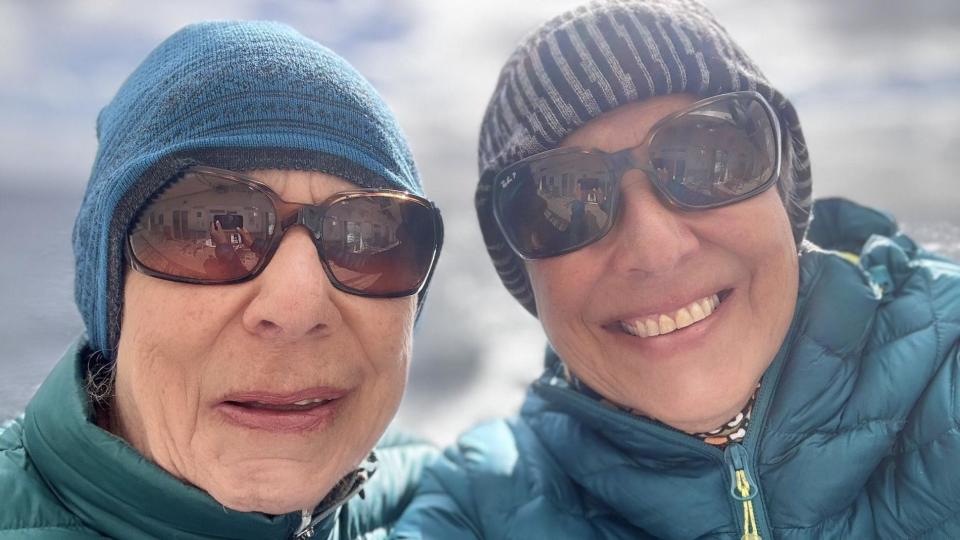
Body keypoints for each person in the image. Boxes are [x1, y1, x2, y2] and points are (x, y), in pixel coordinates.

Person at [394, 1, 960, 538]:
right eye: (563, 203)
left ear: (784, 196)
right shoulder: (476, 507)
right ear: (529, 281)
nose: (654, 247)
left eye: (707, 159)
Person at [0, 21, 444, 539]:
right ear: (110, 295)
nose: (297, 309)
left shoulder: (446, 496)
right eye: (211, 229)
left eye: (367, 240)